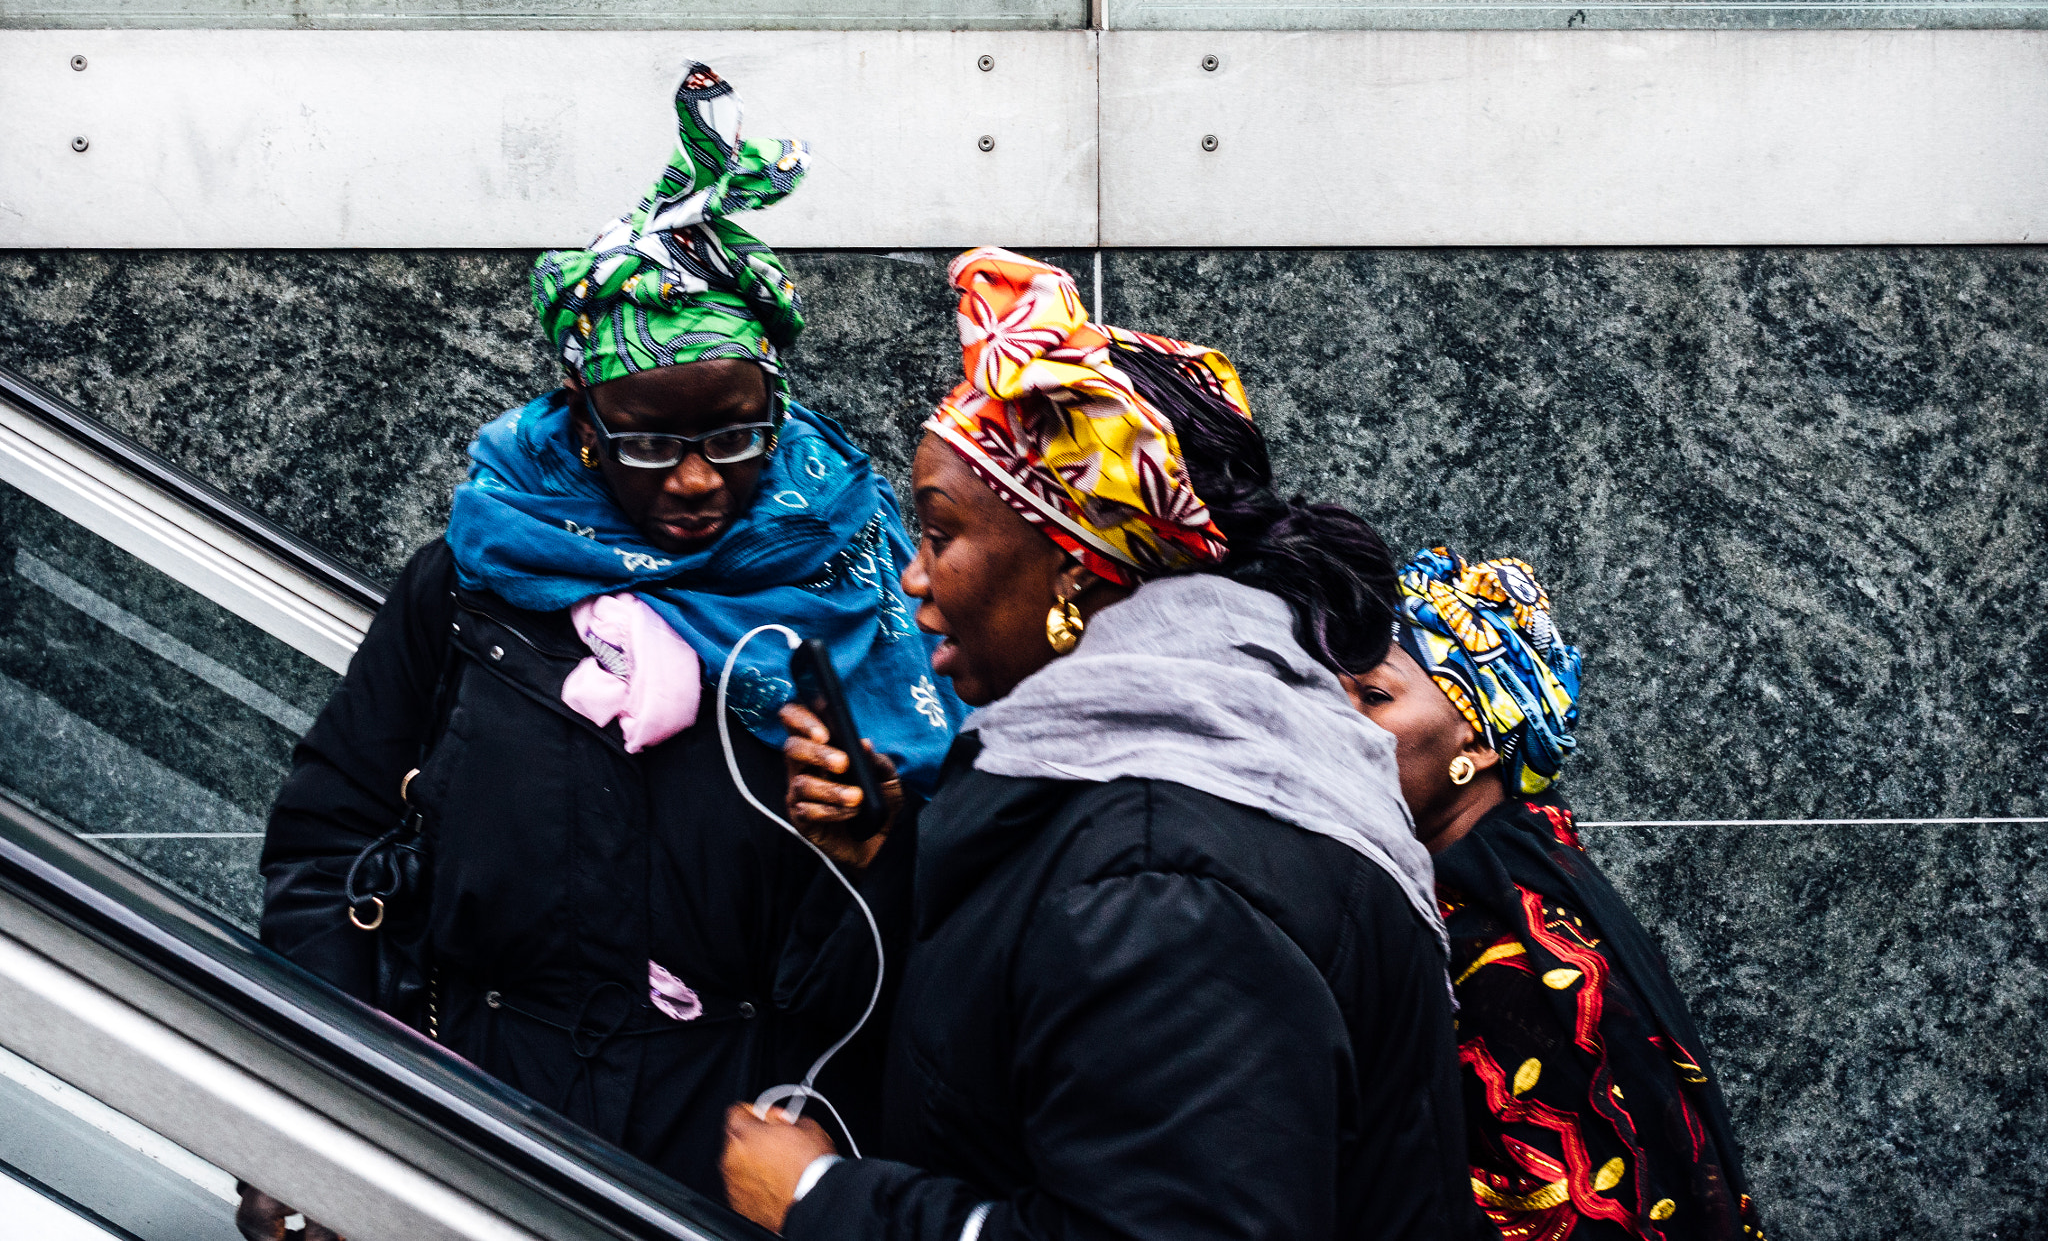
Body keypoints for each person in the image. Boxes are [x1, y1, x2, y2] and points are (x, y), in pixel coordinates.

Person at [244, 63, 961, 1238]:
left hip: (742, 1146)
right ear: (579, 421)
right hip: (471, 1114)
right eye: (646, 441)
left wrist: (877, 839)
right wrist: (321, 1113)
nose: (693, 479)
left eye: (734, 436)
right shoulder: (474, 581)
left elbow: (954, 892)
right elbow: (329, 839)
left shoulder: (861, 585)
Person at [722, 248, 1480, 1241]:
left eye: (940, 531)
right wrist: (891, 857)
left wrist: (827, 1204)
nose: (913, 579)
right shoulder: (1187, 779)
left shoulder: (1162, 877)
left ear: (1073, 572)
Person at [1341, 548, 1764, 1240]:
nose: (1338, 719)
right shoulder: (1522, 872)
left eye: (1374, 696)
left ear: (1473, 742)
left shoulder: (1504, 942)